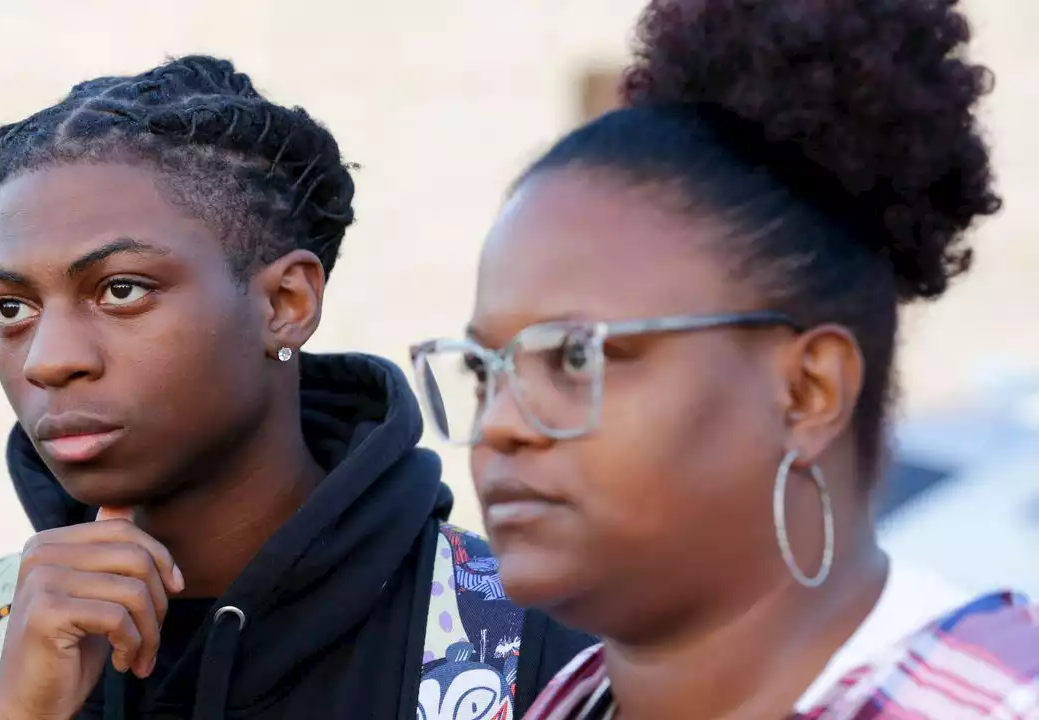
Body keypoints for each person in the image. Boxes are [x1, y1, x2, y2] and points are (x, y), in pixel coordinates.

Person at [0, 55, 592, 720]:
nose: (47, 359)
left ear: (284, 305)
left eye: (122, 290)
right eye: (12, 308)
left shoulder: (537, 652)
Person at [408, 0, 1039, 717]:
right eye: (485, 369)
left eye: (574, 358)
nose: (498, 426)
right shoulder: (558, 702)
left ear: (807, 392)